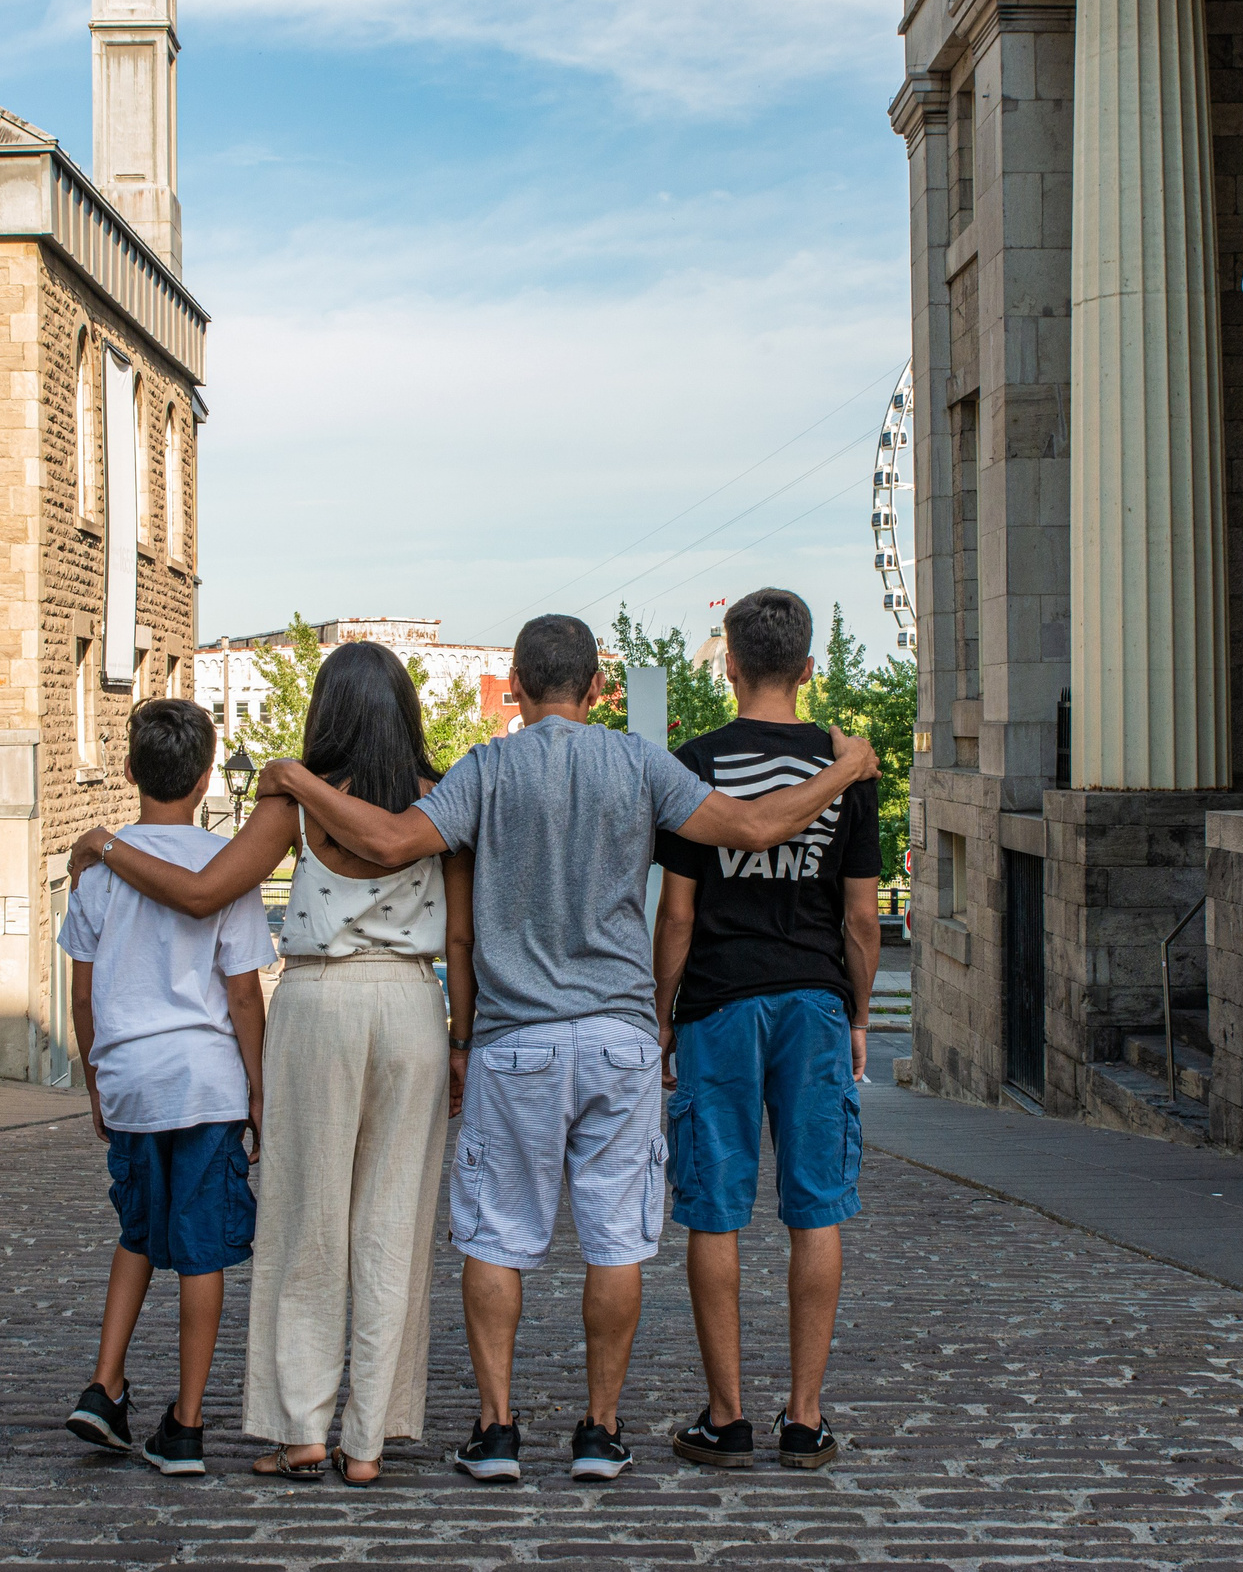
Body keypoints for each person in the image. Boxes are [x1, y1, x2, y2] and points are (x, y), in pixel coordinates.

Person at [256, 613, 879, 1485]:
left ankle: (498, 1429)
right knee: (613, 1244)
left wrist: (295, 779)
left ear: (514, 683)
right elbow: (752, 829)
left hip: (518, 1040)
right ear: (597, 689)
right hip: (620, 1037)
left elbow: (391, 840)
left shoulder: (488, 767)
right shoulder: (637, 762)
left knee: (498, 1240)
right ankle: (599, 1429)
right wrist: (845, 768)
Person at [69, 642, 472, 1487]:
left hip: (321, 1003)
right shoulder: (443, 801)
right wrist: (461, 1034)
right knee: (394, 1227)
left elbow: (202, 890)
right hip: (409, 1006)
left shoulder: (294, 804)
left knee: (305, 1222)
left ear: (324, 713)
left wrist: (107, 847)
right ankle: (368, 1441)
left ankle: (302, 1432)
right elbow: (462, 933)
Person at [652, 589, 880, 1473]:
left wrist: (665, 1011)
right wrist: (856, 1011)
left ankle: (726, 1414)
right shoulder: (846, 765)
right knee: (815, 1205)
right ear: (811, 668)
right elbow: (862, 920)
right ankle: (805, 1416)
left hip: (718, 999)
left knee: (716, 1208)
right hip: (813, 999)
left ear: (731, 666)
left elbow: (677, 915)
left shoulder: (695, 762)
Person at [58, 698, 274, 1478]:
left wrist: (94, 1081)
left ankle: (104, 1380)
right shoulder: (224, 866)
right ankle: (184, 1423)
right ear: (209, 773)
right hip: (208, 1082)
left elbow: (82, 996)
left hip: (132, 1080)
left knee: (137, 1234)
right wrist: (258, 1087)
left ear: (127, 770)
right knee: (202, 1248)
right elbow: (244, 993)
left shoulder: (96, 874)